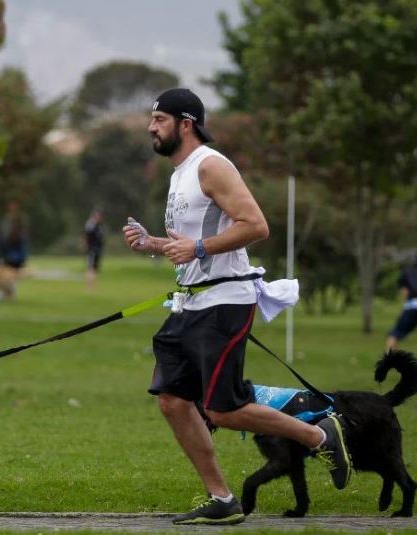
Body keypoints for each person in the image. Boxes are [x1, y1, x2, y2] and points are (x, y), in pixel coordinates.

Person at [123, 88, 352, 525]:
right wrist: (154, 243)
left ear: (185, 123)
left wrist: (201, 248)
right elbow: (190, 244)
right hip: (189, 305)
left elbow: (256, 226)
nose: (151, 127)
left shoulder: (211, 166)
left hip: (224, 303)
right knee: (172, 399)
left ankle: (317, 434)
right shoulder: (180, 174)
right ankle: (222, 499)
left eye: (159, 119)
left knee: (222, 409)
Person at [385, 260, 417, 352]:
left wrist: (405, 307)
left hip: (412, 306)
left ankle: (390, 357)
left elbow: (404, 292)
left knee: (395, 333)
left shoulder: (408, 272)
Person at [0, 201, 29, 270]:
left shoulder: (21, 218)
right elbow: (1, 233)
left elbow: (24, 232)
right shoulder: (5, 219)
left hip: (16, 245)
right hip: (7, 244)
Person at [83, 208, 104, 291]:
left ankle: (92, 287)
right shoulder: (90, 225)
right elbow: (86, 237)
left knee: (95, 269)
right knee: (90, 268)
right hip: (92, 250)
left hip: (97, 250)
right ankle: (89, 287)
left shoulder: (98, 226)